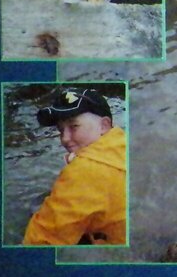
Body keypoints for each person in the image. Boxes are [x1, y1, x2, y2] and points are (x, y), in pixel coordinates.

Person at [23, 88, 126, 245]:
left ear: (104, 126)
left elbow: (42, 242)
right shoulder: (122, 144)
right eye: (60, 130)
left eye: (74, 126)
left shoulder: (83, 171)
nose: (65, 138)